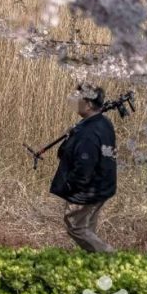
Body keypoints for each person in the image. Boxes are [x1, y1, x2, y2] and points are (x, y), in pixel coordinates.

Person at [50, 84, 117, 253]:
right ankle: (94, 260)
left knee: (75, 226)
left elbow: (84, 166)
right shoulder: (103, 122)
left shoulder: (88, 132)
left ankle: (109, 255)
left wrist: (71, 186)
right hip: (102, 185)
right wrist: (72, 135)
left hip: (87, 190)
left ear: (88, 104)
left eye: (78, 99)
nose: (74, 101)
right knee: (87, 227)